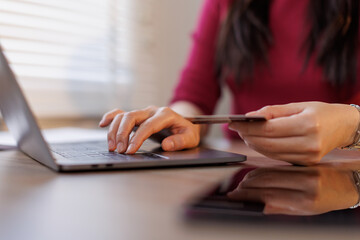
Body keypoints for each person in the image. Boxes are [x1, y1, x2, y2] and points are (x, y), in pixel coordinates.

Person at [99, 0, 360, 166]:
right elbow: (195, 95)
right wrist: (177, 121)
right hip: (246, 175)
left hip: (345, 177)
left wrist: (351, 125)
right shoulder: (225, 4)